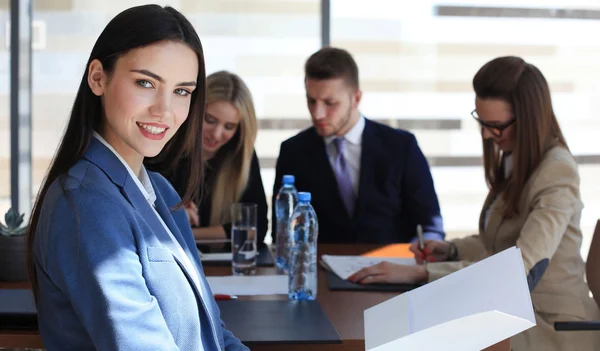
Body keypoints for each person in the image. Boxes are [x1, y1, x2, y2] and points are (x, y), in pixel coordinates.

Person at [26, 5, 248, 351]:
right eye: (146, 83)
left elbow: (213, 333)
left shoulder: (160, 190)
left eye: (182, 91)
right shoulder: (85, 204)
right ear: (98, 78)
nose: (164, 110)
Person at [348, 56, 600, 351]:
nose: (486, 134)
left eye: (496, 126)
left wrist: (421, 272)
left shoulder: (557, 170)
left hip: (550, 324)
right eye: (481, 122)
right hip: (515, 310)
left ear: (528, 119)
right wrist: (452, 250)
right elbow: (500, 244)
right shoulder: (515, 158)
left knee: (406, 338)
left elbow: (520, 270)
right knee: (388, 329)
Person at [272, 47, 444, 244]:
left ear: (356, 98)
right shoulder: (293, 152)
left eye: (330, 103)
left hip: (392, 267)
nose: (317, 113)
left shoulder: (401, 147)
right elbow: (282, 233)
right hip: (319, 269)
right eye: (311, 101)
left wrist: (422, 252)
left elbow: (430, 225)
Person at [164, 71, 268, 249]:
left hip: (222, 266)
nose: (217, 134)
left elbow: (255, 229)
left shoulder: (242, 155)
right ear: (194, 111)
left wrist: (185, 232)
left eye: (229, 126)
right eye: (210, 120)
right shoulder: (165, 149)